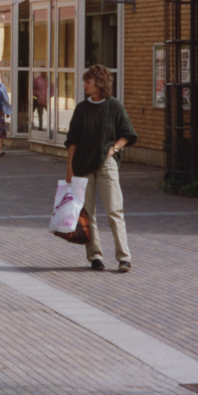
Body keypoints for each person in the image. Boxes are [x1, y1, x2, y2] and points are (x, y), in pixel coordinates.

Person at [64, 64, 137, 273]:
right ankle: (95, 256)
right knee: (88, 212)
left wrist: (114, 148)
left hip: (106, 164)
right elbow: (72, 141)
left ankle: (124, 258)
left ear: (99, 84)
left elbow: (128, 133)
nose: (85, 84)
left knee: (115, 210)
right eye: (85, 81)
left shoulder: (114, 106)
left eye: (88, 81)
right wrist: (69, 168)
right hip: (82, 165)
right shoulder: (81, 108)